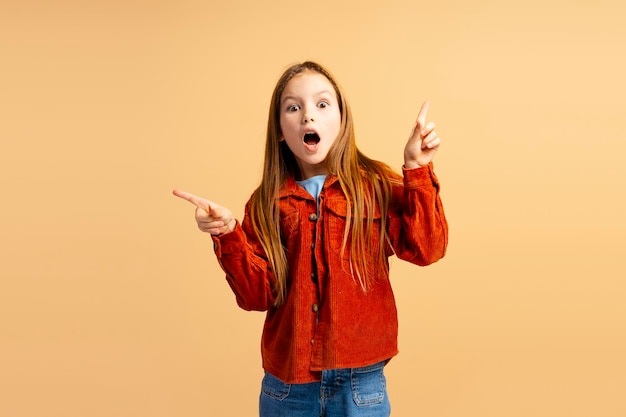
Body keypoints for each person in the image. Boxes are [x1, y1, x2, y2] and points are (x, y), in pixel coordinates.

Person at [173, 61, 448, 417]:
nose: (308, 117)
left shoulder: (376, 185)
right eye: (293, 107)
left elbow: (427, 249)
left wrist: (417, 169)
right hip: (286, 388)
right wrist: (229, 235)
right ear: (280, 130)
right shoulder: (265, 202)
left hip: (360, 385)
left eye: (321, 104)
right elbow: (257, 296)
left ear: (342, 119)